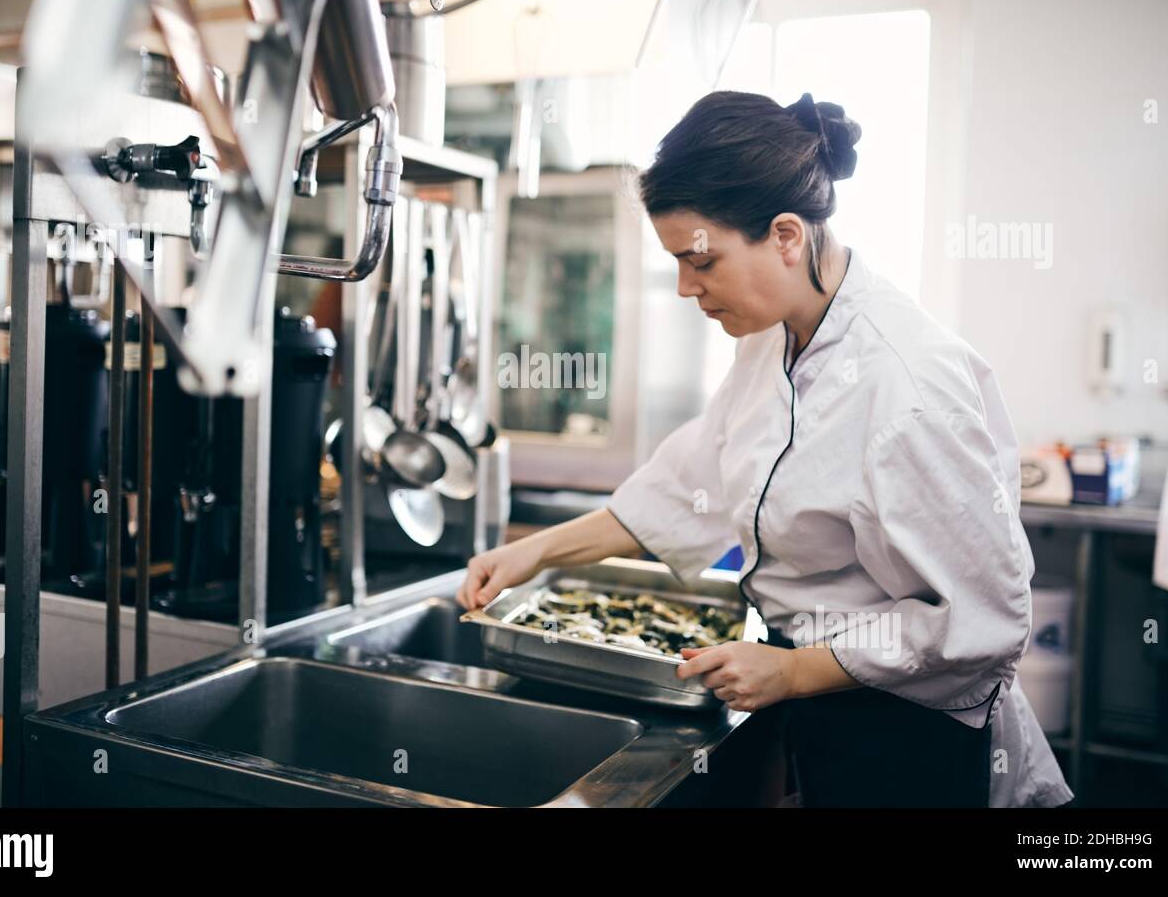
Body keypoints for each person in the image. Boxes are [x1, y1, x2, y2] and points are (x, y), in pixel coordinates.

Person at [458, 90, 1073, 808]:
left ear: (785, 235)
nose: (687, 288)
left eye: (703, 261)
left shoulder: (909, 387)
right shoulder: (773, 336)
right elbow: (699, 477)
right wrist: (538, 550)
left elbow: (987, 619)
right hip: (823, 702)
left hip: (915, 732)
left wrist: (795, 672)